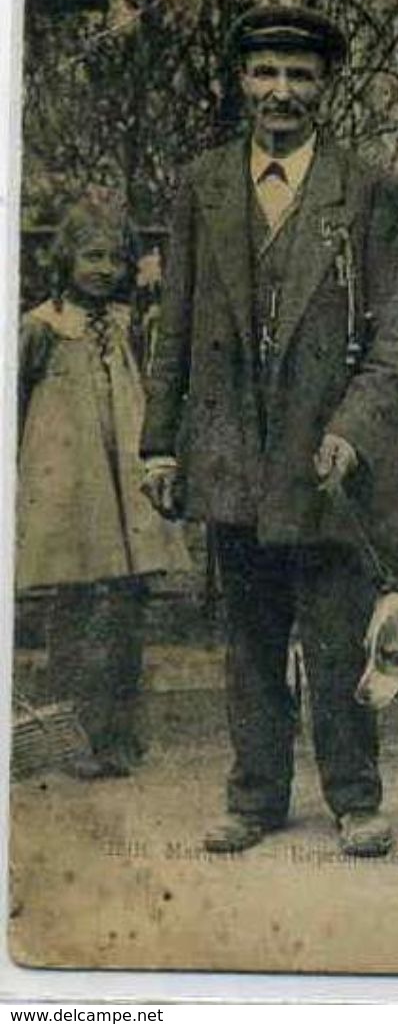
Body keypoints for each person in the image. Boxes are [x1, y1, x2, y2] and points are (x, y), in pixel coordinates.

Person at [140, 6, 398, 856]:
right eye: (265, 73)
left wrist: (354, 429)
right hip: (232, 455)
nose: (281, 92)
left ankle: (355, 800)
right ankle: (255, 797)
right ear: (242, 82)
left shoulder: (367, 190)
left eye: (300, 76)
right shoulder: (203, 184)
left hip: (328, 460)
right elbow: (176, 323)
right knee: (250, 640)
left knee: (338, 639)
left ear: (324, 88)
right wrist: (161, 440)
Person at [17, 191, 192, 779]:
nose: (104, 270)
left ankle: (120, 734)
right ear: (65, 258)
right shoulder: (39, 329)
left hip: (121, 488)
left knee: (124, 608)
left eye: (115, 259)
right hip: (69, 487)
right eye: (92, 257)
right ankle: (69, 737)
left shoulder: (123, 325)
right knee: (72, 609)